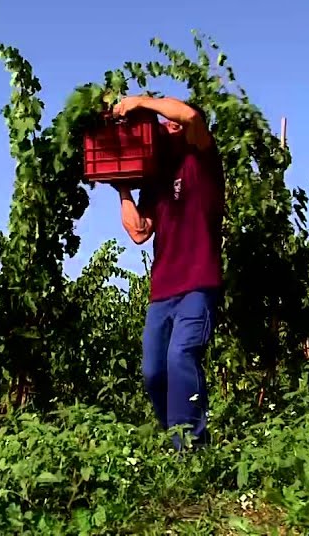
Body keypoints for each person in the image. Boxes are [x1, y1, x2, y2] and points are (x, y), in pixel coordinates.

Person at [111, 95, 225, 450]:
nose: (169, 124)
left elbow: (189, 114)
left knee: (181, 357)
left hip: (198, 283)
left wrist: (139, 103)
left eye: (173, 120)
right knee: (153, 372)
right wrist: (123, 188)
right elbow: (140, 232)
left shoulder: (203, 158)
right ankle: (175, 438)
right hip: (162, 290)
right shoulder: (156, 177)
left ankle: (190, 450)